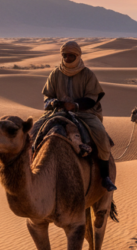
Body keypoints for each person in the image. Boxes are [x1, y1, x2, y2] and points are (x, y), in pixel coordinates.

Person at [41, 40, 116, 191]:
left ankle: (105, 176)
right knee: (34, 133)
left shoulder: (87, 74)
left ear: (78, 56)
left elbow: (92, 97)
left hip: (85, 114)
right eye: (65, 55)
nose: (67, 58)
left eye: (71, 55)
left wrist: (75, 105)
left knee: (101, 137)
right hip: (59, 113)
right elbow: (47, 97)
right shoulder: (55, 74)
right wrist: (53, 102)